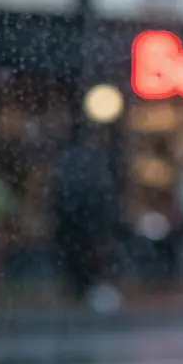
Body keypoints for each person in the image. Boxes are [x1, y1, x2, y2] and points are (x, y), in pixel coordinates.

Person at [49, 121, 120, 304]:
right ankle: (86, 288)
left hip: (73, 219)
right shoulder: (92, 159)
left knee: (75, 255)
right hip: (86, 219)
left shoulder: (67, 158)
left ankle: (78, 289)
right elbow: (103, 190)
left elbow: (58, 190)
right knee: (85, 255)